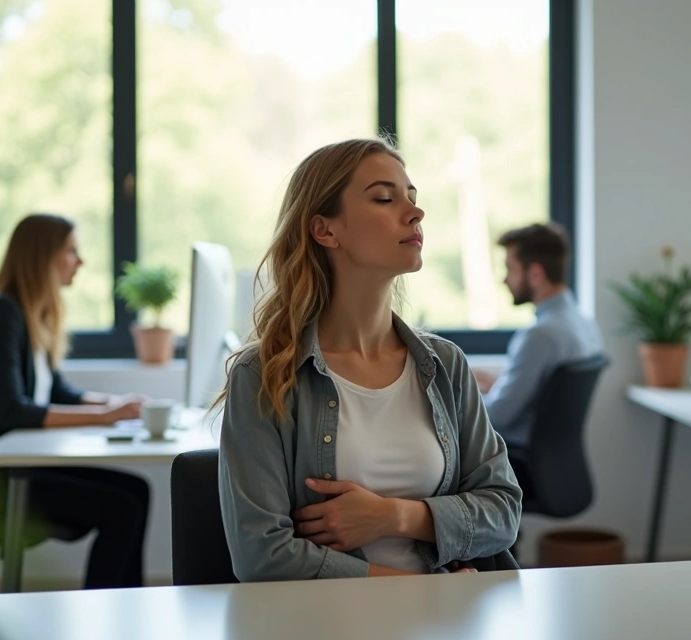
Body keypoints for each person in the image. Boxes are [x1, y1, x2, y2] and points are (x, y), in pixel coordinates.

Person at [216, 139, 522, 582]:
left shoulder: (445, 365)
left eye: (413, 199)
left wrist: (393, 516)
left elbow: (504, 511)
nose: (415, 213)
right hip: (332, 623)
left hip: (449, 619)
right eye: (385, 198)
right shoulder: (263, 376)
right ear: (325, 231)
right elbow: (262, 556)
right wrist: (423, 589)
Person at [0, 213, 151, 589]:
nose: (80, 261)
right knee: (122, 507)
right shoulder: (1, 313)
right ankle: (106, 611)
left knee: (136, 491)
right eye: (71, 250)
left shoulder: (28, 313)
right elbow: (13, 411)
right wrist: (105, 417)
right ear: (43, 257)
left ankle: (123, 613)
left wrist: (114, 404)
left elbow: (57, 392)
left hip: (19, 467)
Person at [475, 223, 604, 454]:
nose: (505, 280)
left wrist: (462, 392)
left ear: (535, 273)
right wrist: (497, 385)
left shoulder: (539, 336)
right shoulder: (585, 324)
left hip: (519, 464)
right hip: (557, 463)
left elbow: (497, 417)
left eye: (510, 269)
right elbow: (547, 400)